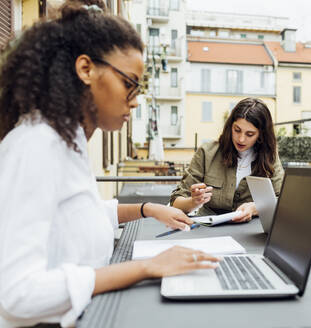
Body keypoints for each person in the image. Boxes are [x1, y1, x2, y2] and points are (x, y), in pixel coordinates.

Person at [0, 1, 219, 327]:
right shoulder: (36, 146)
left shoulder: (66, 141)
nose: (134, 99)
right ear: (86, 69)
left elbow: (74, 214)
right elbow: (16, 295)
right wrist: (146, 267)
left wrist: (147, 209)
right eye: (129, 83)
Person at [170, 98, 284, 222]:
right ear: (230, 126)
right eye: (237, 130)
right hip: (208, 229)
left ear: (261, 134)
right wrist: (193, 202)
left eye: (249, 134)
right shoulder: (207, 152)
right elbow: (176, 201)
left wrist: (255, 208)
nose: (241, 139)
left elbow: (283, 201)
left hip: (249, 233)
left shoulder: (270, 157)